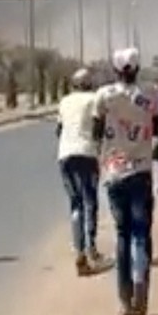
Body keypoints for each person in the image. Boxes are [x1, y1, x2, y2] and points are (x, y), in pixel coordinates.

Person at [93, 48, 158, 315]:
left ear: (115, 70)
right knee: (140, 234)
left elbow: (96, 134)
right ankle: (141, 289)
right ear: (137, 69)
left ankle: (124, 299)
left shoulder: (104, 96)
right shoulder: (151, 94)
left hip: (114, 173)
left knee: (122, 234)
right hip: (141, 172)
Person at [56, 66, 101, 276]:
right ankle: (91, 248)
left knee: (75, 203)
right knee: (90, 200)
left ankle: (79, 254)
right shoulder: (94, 99)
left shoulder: (64, 101)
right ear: (90, 84)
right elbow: (99, 127)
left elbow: (59, 130)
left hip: (65, 155)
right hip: (87, 153)